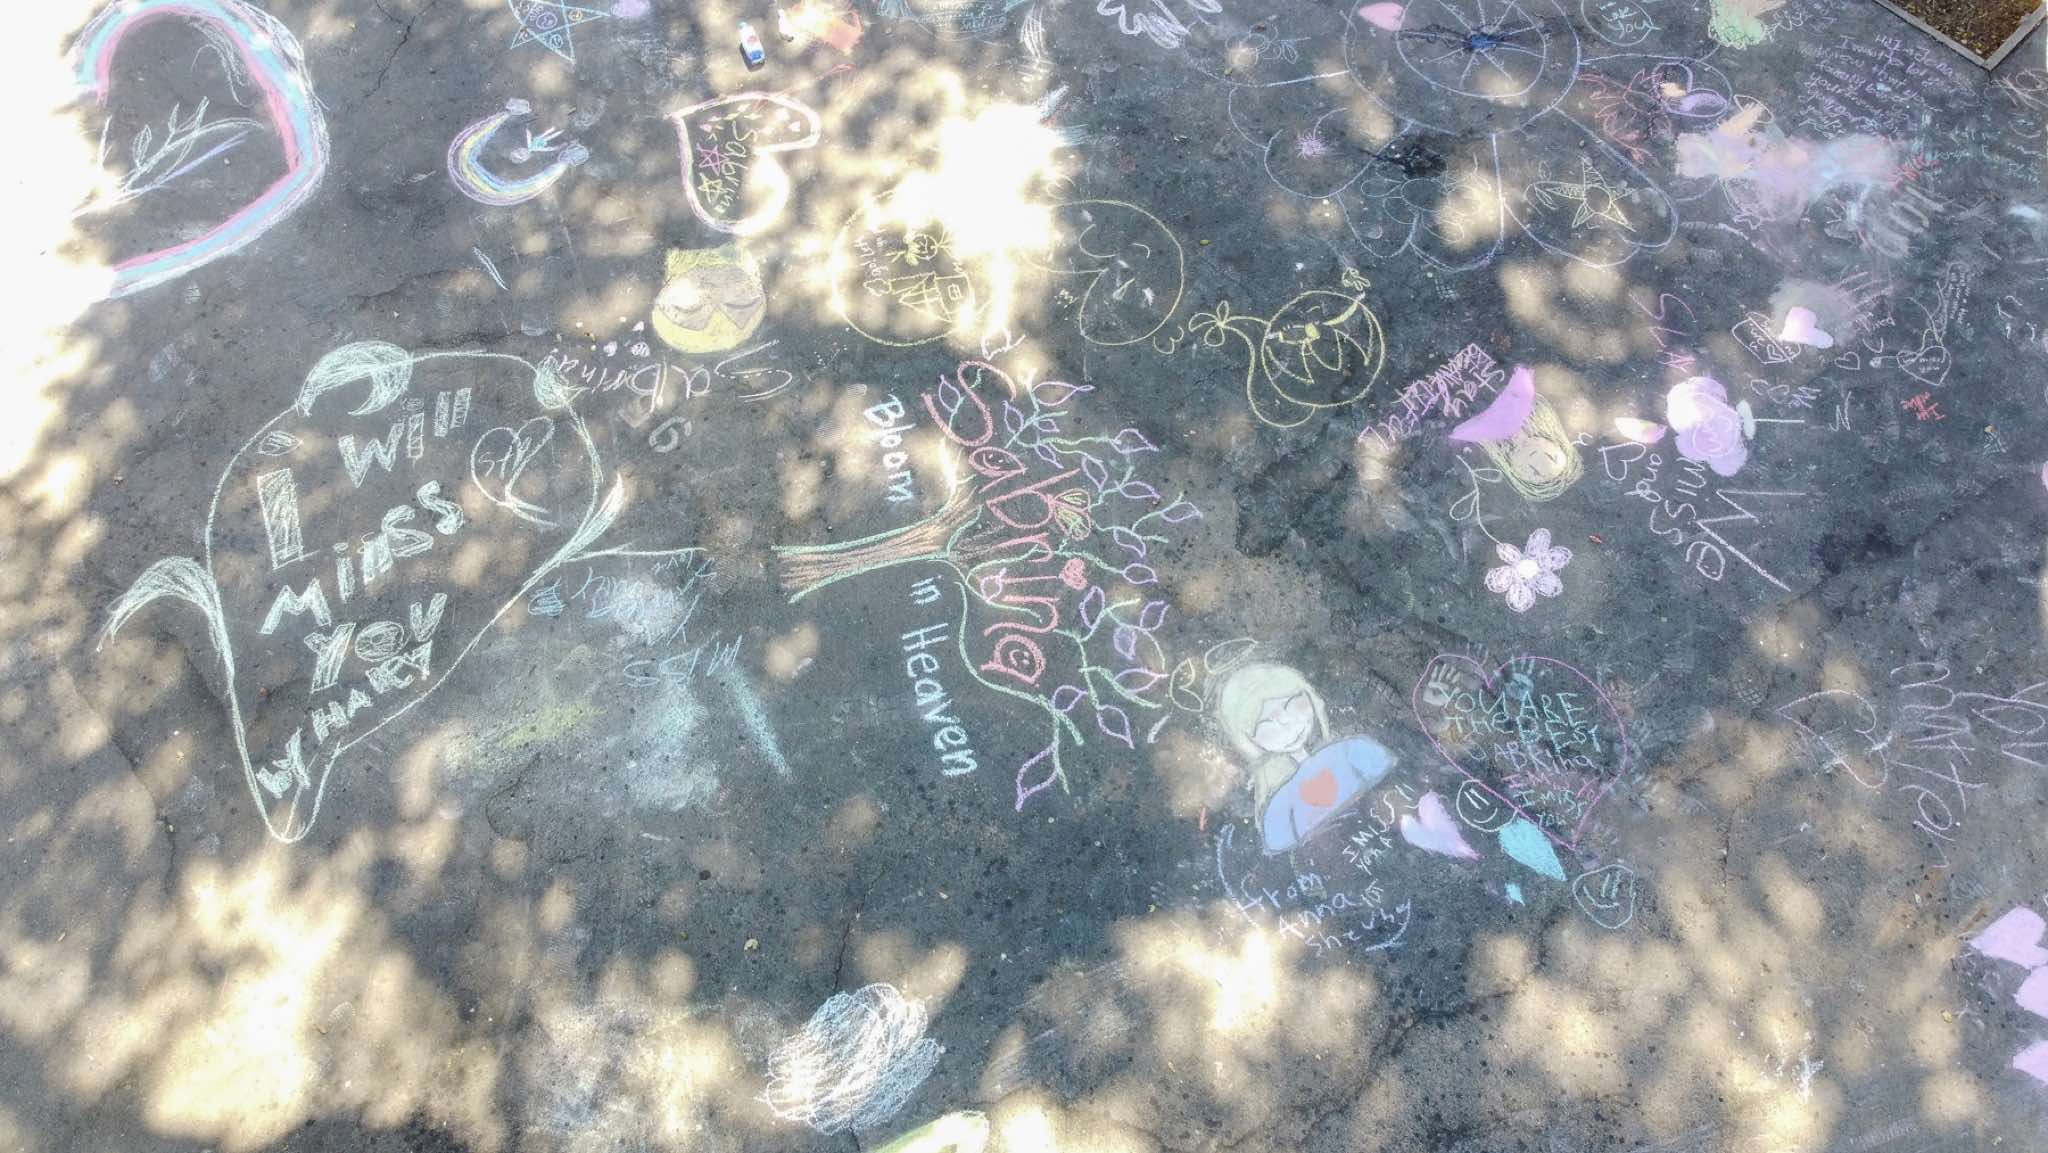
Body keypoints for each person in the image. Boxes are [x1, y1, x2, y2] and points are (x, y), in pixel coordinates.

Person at [1212, 661, 1396, 854]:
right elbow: (1282, 848)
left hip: (1383, 839)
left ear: (1308, 694)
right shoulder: (1279, 804)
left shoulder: (1352, 751)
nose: (1287, 723)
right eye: (1266, 723)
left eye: (1290, 703)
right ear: (1251, 742)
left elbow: (1393, 781)